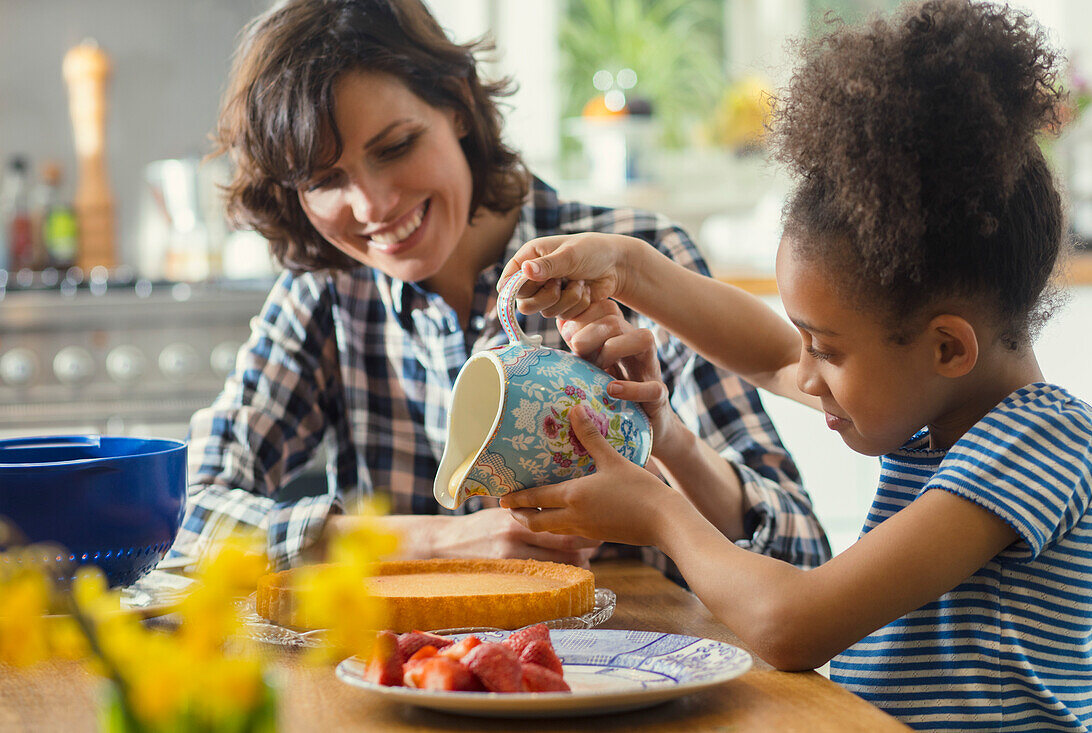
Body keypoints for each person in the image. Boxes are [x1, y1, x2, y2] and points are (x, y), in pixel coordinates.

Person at [498, 1, 1092, 729]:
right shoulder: (929, 410)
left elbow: (792, 623)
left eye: (830, 349)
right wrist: (626, 265)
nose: (806, 375)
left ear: (946, 347)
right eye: (812, 343)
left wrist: (659, 513)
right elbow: (773, 354)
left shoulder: (1037, 446)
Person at [168, 0, 830, 580]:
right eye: (324, 180)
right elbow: (186, 512)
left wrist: (666, 443)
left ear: (456, 105)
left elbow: (798, 557)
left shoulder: (632, 267)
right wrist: (434, 541)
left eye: (396, 147)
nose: (372, 205)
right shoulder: (326, 293)